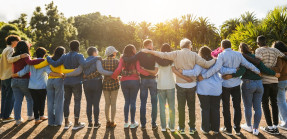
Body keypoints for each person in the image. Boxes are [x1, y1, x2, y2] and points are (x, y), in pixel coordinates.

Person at [141, 38, 216, 134]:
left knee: (180, 107)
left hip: (180, 84)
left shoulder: (176, 53)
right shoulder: (194, 55)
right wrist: (215, 60)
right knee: (191, 107)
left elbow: (163, 54)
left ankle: (181, 128)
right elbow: (206, 64)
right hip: (191, 85)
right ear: (190, 46)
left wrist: (149, 51)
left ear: (181, 46)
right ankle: (192, 128)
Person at [197, 40, 260, 136]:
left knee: (226, 107)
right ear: (230, 46)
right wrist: (257, 70)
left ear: (222, 47)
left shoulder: (221, 56)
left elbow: (216, 69)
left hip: (225, 85)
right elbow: (248, 64)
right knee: (237, 107)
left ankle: (228, 129)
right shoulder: (238, 54)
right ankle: (237, 129)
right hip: (236, 84)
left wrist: (204, 76)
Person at [223, 43, 280, 135]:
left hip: (248, 84)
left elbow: (242, 70)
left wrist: (231, 75)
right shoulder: (256, 57)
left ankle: (249, 126)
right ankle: (256, 129)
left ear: (240, 50)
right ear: (248, 48)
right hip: (259, 84)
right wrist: (274, 74)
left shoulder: (243, 57)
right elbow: (264, 68)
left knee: (248, 106)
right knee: (257, 107)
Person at [180, 46, 236, 135]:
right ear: (210, 52)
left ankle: (205, 129)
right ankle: (216, 129)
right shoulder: (216, 61)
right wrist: (234, 70)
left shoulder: (200, 62)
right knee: (215, 109)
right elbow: (223, 70)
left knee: (205, 109)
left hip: (203, 89)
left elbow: (194, 72)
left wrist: (183, 71)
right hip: (216, 89)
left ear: (200, 53)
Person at [46, 40, 99, 130]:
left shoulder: (64, 56)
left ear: (70, 47)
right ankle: (76, 123)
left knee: (66, 101)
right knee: (77, 102)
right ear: (78, 47)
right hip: (76, 82)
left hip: (66, 82)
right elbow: (85, 65)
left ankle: (66, 123)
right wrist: (96, 58)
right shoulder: (79, 55)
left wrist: (48, 58)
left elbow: (55, 64)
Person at [123, 39, 170, 130]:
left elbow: (130, 60)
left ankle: (143, 124)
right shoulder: (154, 53)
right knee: (154, 103)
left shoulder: (140, 53)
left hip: (143, 80)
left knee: (143, 103)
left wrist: (123, 57)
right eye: (152, 45)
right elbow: (162, 62)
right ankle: (153, 124)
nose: (152, 46)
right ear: (149, 45)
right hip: (153, 80)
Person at [65, 47, 114, 128]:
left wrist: (66, 75)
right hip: (96, 83)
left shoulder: (84, 61)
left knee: (89, 103)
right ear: (94, 52)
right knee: (96, 104)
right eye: (97, 51)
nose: (97, 53)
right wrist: (113, 73)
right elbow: (101, 71)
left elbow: (78, 72)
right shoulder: (97, 60)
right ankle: (96, 123)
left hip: (86, 83)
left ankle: (90, 123)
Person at [13, 47, 63, 125]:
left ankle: (36, 119)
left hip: (32, 86)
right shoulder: (44, 63)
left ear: (36, 54)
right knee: (42, 101)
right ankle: (42, 115)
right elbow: (50, 73)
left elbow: (23, 72)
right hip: (42, 86)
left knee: (35, 102)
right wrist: (60, 75)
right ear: (44, 55)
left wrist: (13, 75)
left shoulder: (31, 63)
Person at [34, 46, 75, 126]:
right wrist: (74, 70)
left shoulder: (49, 59)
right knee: (59, 102)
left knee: (50, 102)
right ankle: (58, 122)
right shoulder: (62, 60)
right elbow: (63, 71)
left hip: (49, 81)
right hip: (58, 80)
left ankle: (51, 122)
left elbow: (37, 66)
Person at [111, 44, 150, 129]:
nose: (136, 50)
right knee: (133, 102)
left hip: (124, 81)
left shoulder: (122, 58)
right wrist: (149, 74)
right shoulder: (136, 58)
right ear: (132, 50)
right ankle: (132, 123)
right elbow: (139, 70)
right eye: (134, 48)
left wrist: (114, 77)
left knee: (126, 102)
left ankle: (126, 122)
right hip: (134, 81)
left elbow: (118, 69)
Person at [255, 36, 287, 134]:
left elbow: (259, 62)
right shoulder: (279, 53)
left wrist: (265, 69)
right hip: (280, 81)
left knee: (271, 102)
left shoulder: (259, 50)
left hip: (272, 80)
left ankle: (277, 125)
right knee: (277, 102)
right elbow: (283, 59)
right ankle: (279, 124)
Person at [142, 43, 176, 132]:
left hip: (160, 85)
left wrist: (144, 69)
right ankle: (172, 127)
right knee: (171, 107)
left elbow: (154, 73)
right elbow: (174, 70)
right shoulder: (172, 59)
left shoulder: (157, 60)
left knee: (162, 108)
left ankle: (163, 127)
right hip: (171, 85)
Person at [11, 41, 45, 126]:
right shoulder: (26, 55)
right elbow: (30, 63)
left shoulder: (14, 55)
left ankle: (17, 120)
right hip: (24, 79)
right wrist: (44, 59)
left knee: (17, 100)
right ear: (26, 47)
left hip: (14, 79)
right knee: (29, 98)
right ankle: (30, 116)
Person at [0, 35, 28, 123]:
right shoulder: (10, 49)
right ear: (13, 41)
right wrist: (20, 56)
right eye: (17, 41)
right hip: (8, 76)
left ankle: (3, 114)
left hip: (3, 76)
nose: (18, 43)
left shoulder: (5, 49)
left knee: (4, 97)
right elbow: (9, 60)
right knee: (10, 97)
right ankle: (6, 116)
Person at [102, 46, 119, 128]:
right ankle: (112, 122)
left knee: (107, 103)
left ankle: (107, 121)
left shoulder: (103, 61)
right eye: (115, 52)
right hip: (114, 83)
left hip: (105, 84)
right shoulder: (116, 61)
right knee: (113, 103)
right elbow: (119, 72)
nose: (116, 53)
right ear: (112, 53)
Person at [272, 41, 287, 130]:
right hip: (286, 80)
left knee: (281, 102)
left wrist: (267, 67)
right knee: (282, 101)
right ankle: (283, 120)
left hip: (281, 81)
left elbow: (279, 69)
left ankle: (285, 122)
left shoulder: (279, 57)